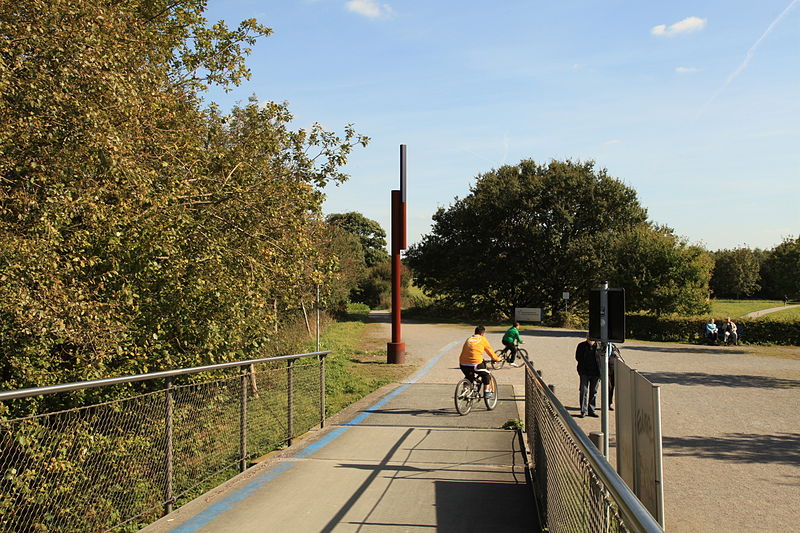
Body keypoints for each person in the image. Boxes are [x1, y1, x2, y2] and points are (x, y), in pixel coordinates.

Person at [459, 326, 501, 398]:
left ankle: (464, 390)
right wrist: (497, 359)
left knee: (468, 376)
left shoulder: (469, 339)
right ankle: (486, 392)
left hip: (462, 363)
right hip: (475, 363)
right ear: (482, 334)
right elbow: (490, 351)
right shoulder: (482, 339)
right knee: (486, 374)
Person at [575, 334, 601, 418]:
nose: (590, 339)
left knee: (593, 392)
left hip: (596, 373)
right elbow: (577, 357)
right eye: (589, 337)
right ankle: (583, 411)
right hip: (584, 373)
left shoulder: (599, 347)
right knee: (583, 391)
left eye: (592, 338)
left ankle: (591, 410)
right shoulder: (581, 346)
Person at [599, 342, 625, 410]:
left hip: (613, 370)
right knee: (607, 387)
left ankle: (609, 404)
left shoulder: (614, 347)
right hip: (605, 370)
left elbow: (618, 356)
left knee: (611, 388)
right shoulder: (601, 346)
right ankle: (604, 404)